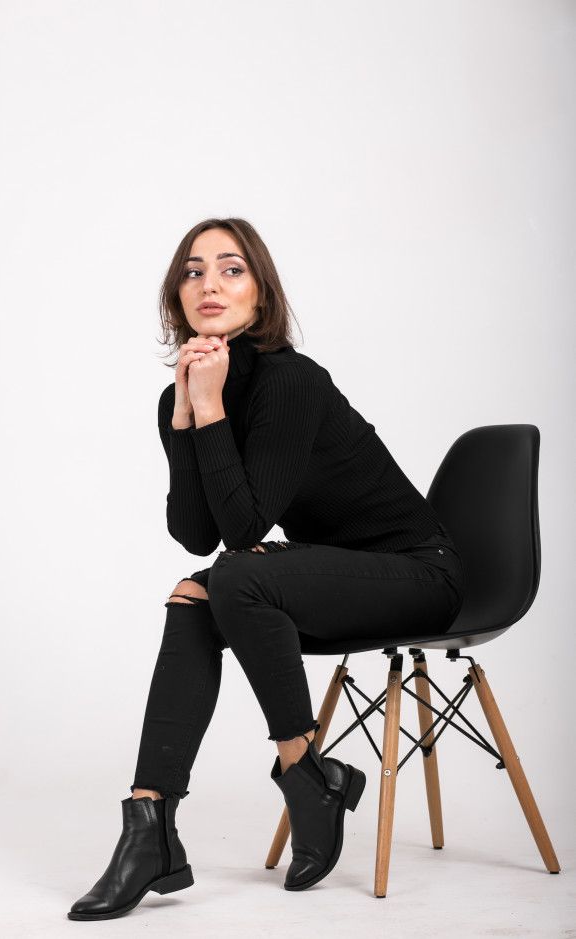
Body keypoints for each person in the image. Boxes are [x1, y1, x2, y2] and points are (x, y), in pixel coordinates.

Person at [68, 218, 466, 921]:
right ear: (176, 295)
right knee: (199, 590)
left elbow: (245, 530)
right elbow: (197, 532)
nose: (209, 284)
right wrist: (190, 413)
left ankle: (302, 769)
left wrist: (214, 405)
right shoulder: (184, 394)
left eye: (231, 268)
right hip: (327, 575)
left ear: (261, 291)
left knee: (234, 574)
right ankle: (150, 823)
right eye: (193, 271)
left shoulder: (292, 381)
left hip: (416, 574)